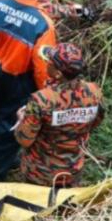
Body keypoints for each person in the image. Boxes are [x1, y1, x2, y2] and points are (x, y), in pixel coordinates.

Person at [0, 0, 58, 182]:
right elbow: (43, 68)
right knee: (11, 126)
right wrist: (44, 94)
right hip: (21, 80)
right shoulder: (43, 24)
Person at [15, 43, 104, 188]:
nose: (46, 63)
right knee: (65, 205)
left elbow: (24, 140)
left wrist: (21, 120)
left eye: (49, 62)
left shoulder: (42, 100)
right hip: (73, 170)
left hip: (40, 173)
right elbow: (95, 122)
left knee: (37, 206)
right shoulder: (94, 92)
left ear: (58, 74)